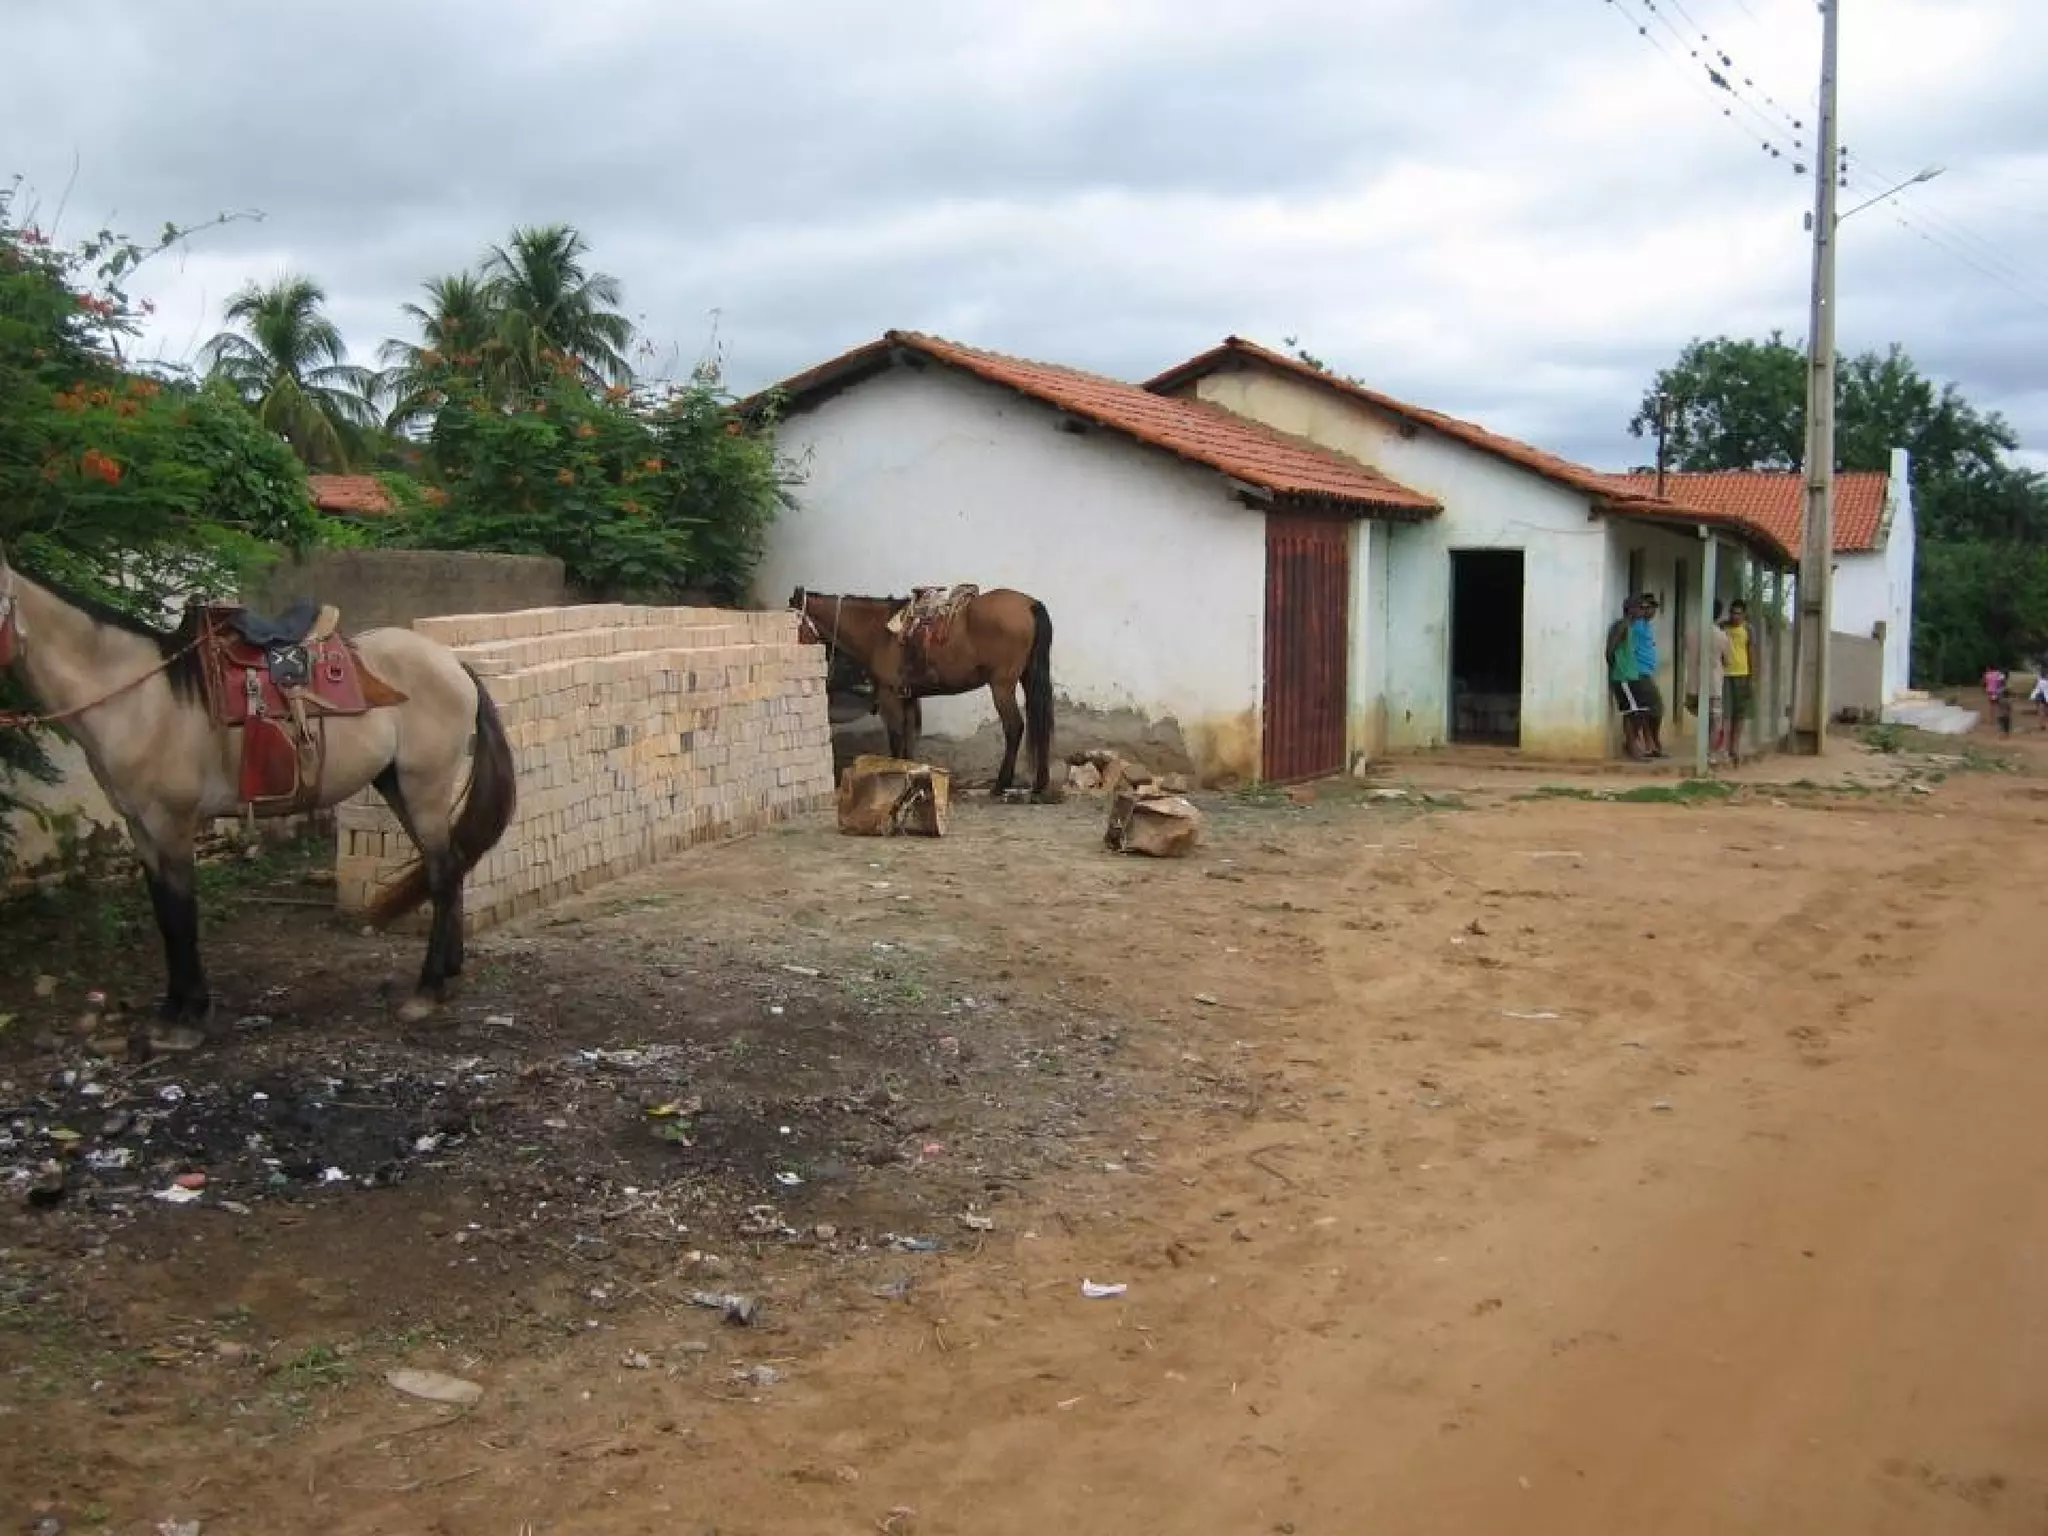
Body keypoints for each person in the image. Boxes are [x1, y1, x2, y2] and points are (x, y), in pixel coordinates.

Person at [1606, 596, 1649, 759]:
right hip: (1623, 676)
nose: (1642, 611)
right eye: (1639, 608)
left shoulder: (1630, 627)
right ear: (1631, 610)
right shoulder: (1621, 626)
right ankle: (1632, 747)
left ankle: (1632, 744)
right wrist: (1617, 668)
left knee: (1641, 711)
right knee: (1632, 713)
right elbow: (1610, 650)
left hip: (1632, 675)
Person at [1631, 592, 1666, 758]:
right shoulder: (1637, 626)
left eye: (1653, 608)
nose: (1651, 611)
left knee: (1646, 710)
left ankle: (1650, 744)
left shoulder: (1646, 626)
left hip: (1647, 671)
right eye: (1647, 607)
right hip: (1640, 672)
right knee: (1655, 708)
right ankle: (1651, 742)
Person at [1722, 599, 1754, 766]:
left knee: (1739, 714)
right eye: (1733, 613)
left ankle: (1735, 747)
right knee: (1725, 713)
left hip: (1742, 673)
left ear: (1744, 614)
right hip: (1725, 675)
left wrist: (1752, 678)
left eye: (1738, 613)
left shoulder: (1748, 629)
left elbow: (1751, 652)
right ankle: (1725, 746)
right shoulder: (1723, 627)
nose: (1735, 616)